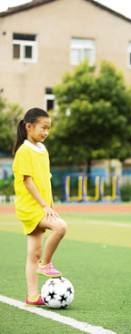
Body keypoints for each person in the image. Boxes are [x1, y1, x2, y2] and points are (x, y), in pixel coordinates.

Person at [12, 108, 68, 306]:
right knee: (61, 227)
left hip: (42, 206)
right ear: (29, 126)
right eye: (43, 128)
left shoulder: (42, 150)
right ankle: (46, 264)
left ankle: (33, 296)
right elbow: (28, 182)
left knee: (33, 252)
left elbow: (46, 180)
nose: (46, 132)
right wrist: (44, 205)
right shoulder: (24, 151)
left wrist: (50, 204)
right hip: (30, 207)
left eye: (48, 129)